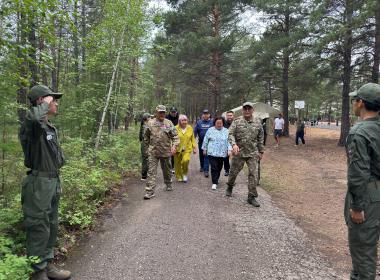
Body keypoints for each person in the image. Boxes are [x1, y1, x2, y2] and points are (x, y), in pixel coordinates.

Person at [19, 84, 71, 280]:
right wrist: (45, 102)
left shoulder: (49, 127)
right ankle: (38, 271)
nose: (55, 103)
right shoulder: (31, 126)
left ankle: (47, 264)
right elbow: (33, 118)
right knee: (38, 226)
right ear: (41, 101)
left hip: (51, 181)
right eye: (52, 99)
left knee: (51, 224)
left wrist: (56, 180)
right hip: (38, 183)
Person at [345, 83, 380, 280]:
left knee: (364, 252)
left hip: (368, 198)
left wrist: (357, 206)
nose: (353, 104)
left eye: (354, 100)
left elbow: (358, 173)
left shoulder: (360, 132)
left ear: (360, 103)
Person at [226, 102, 264, 207]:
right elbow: (230, 133)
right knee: (233, 172)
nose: (247, 111)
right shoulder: (237, 121)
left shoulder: (258, 122)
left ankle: (251, 197)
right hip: (239, 152)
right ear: (242, 110)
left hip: (252, 153)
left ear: (253, 110)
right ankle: (229, 186)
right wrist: (233, 145)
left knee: (253, 174)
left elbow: (261, 137)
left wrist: (261, 151)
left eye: (249, 109)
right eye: (245, 109)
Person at [143, 105, 179, 200]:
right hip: (153, 152)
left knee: (167, 170)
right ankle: (149, 191)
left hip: (165, 151)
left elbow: (175, 137)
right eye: (160, 112)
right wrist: (146, 149)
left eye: (163, 112)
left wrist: (174, 146)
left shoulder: (168, 123)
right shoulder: (150, 123)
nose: (162, 114)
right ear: (156, 112)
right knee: (151, 172)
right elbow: (146, 137)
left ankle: (168, 183)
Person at [202, 117, 232, 190]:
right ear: (214, 123)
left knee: (219, 167)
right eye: (217, 123)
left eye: (221, 123)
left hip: (222, 153)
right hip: (212, 152)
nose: (219, 124)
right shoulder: (210, 130)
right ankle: (214, 183)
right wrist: (204, 149)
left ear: (223, 123)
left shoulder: (226, 131)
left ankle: (217, 178)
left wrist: (229, 150)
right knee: (214, 167)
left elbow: (229, 141)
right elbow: (206, 140)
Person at [174, 115, 197, 183]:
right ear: (179, 121)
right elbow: (171, 138)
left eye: (185, 120)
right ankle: (179, 176)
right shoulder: (175, 128)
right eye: (183, 120)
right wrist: (172, 147)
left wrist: (194, 147)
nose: (184, 122)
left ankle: (184, 174)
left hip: (187, 148)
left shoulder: (189, 128)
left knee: (185, 160)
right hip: (177, 148)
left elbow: (192, 138)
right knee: (177, 163)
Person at [194, 109, 213, 177]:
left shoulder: (212, 122)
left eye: (207, 114)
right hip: (201, 142)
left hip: (210, 142)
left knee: (206, 155)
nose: (205, 115)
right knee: (201, 155)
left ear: (209, 115)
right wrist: (193, 139)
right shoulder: (199, 122)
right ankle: (202, 166)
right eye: (204, 114)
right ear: (202, 115)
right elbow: (195, 131)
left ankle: (206, 170)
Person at [166, 107, 179, 173]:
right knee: (171, 153)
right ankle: (171, 167)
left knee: (177, 152)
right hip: (168, 137)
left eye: (174, 112)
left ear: (176, 112)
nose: (173, 113)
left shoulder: (179, 117)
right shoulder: (166, 117)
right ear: (170, 112)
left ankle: (176, 166)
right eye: (172, 112)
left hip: (177, 136)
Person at [139, 113, 151, 180]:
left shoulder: (143, 125)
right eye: (149, 117)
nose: (151, 118)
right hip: (146, 144)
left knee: (146, 159)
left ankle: (145, 175)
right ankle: (144, 175)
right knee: (147, 159)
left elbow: (140, 137)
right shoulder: (146, 126)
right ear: (146, 118)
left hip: (144, 144)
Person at [223, 111, 234, 176]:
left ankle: (233, 171)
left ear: (233, 116)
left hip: (234, 143)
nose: (229, 117)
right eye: (228, 115)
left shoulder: (236, 123)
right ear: (226, 116)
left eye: (231, 115)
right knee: (225, 158)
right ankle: (227, 170)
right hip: (226, 143)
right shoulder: (224, 124)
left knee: (234, 158)